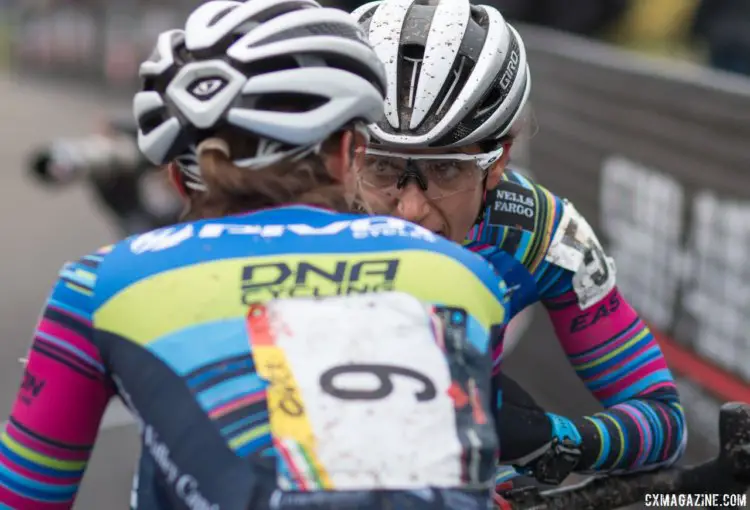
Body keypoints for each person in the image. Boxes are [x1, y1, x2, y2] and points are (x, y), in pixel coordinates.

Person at [0, 1, 512, 509]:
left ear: (178, 179)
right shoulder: (468, 276)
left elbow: (25, 497)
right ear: (346, 155)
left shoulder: (97, 284)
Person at [348, 0, 687, 488]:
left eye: (445, 168)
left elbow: (665, 421)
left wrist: (559, 438)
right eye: (381, 167)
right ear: (343, 151)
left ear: (500, 159)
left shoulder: (535, 233)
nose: (411, 210)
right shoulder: (296, 212)